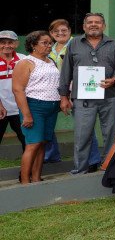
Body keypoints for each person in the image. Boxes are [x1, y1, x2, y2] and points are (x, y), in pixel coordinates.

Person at [58, 13, 115, 174]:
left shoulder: (113, 44)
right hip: (82, 98)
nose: (93, 25)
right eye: (90, 22)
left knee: (111, 133)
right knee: (82, 135)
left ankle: (109, 167)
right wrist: (63, 96)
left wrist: (114, 79)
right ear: (84, 26)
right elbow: (66, 71)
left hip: (109, 96)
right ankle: (80, 169)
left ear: (104, 26)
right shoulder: (74, 43)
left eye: (97, 22)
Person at [11, 31, 60, 183]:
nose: (49, 45)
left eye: (50, 42)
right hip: (34, 106)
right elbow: (18, 89)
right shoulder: (26, 63)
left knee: (43, 142)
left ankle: (37, 178)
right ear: (33, 45)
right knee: (33, 143)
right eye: (44, 43)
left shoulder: (51, 61)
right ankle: (25, 181)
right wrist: (26, 114)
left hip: (51, 107)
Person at [45, 19, 77, 163]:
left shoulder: (77, 44)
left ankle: (89, 159)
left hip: (73, 90)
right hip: (51, 92)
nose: (60, 33)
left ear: (69, 31)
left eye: (64, 30)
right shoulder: (49, 48)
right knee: (47, 124)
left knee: (83, 123)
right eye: (56, 31)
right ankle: (51, 156)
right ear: (51, 33)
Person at [0, 31, 25, 151]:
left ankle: (28, 169)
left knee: (26, 140)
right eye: (2, 42)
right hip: (1, 109)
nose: (6, 45)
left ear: (16, 44)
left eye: (10, 42)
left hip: (20, 109)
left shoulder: (23, 60)